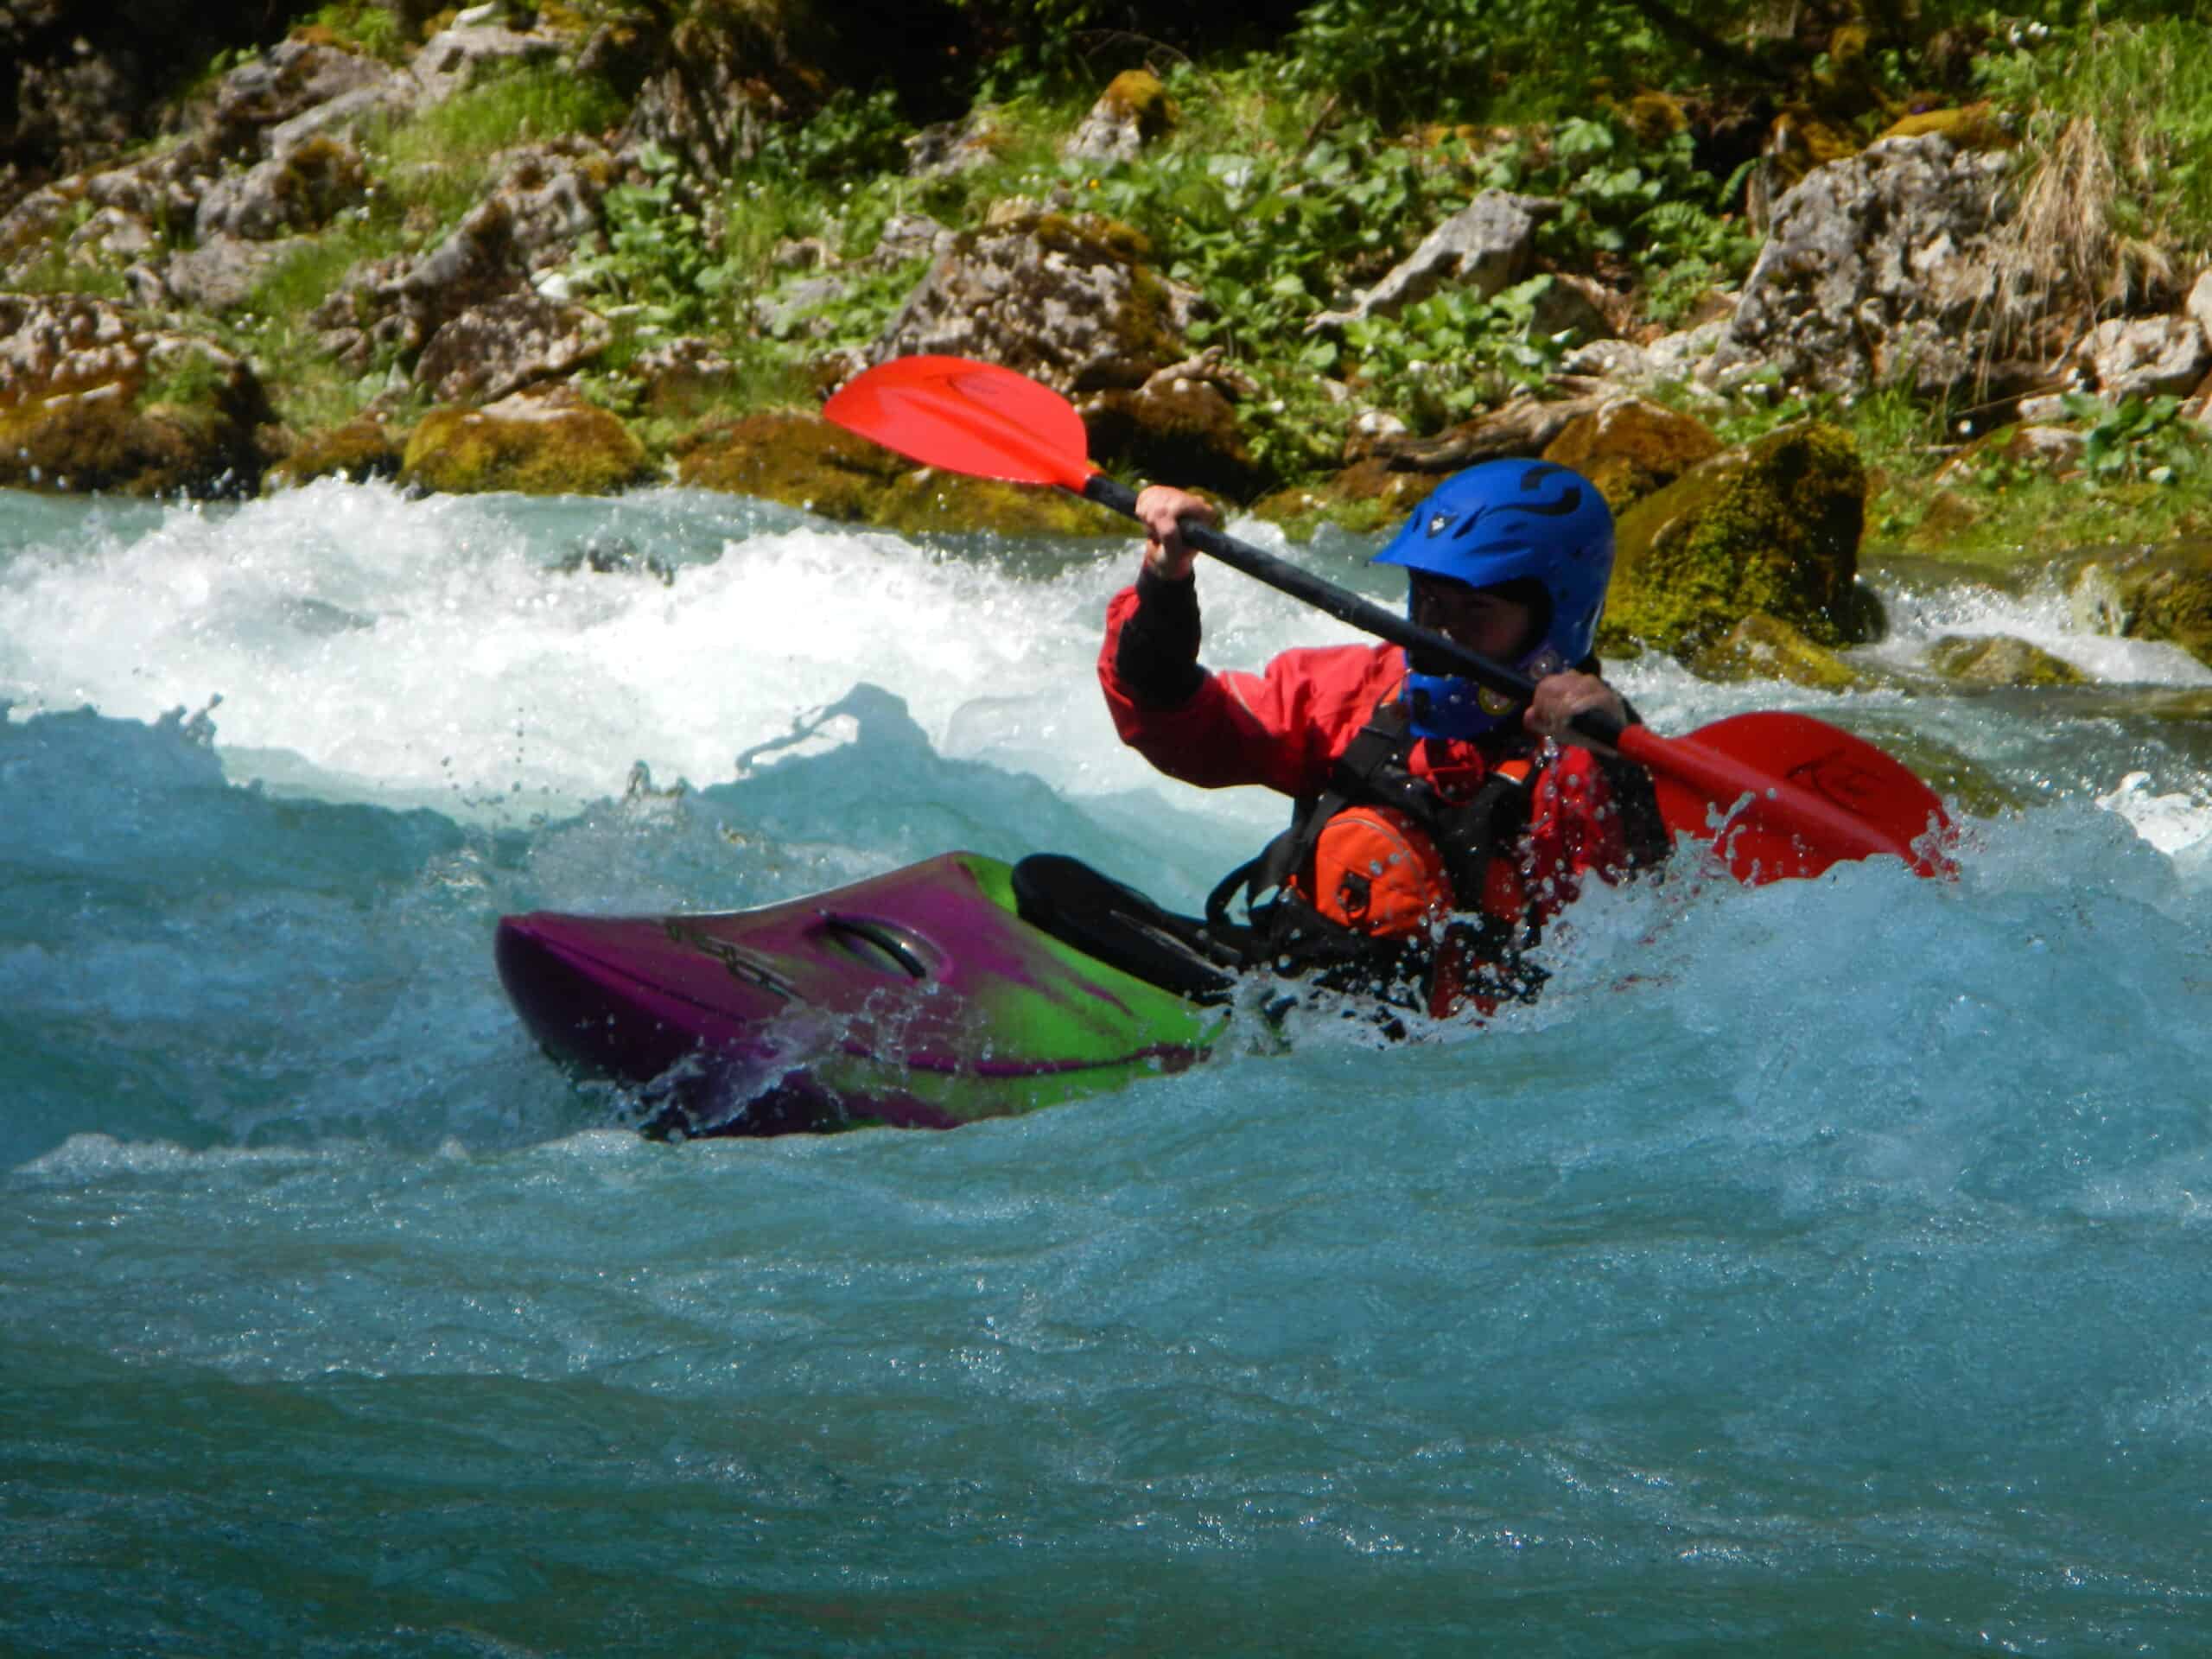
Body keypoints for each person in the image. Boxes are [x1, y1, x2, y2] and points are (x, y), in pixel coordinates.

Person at [1096, 459, 1668, 1018]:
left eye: (1476, 608)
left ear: (1554, 618)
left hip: (1467, 1053)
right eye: (1430, 597)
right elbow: (1182, 726)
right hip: (1297, 996)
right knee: (1055, 889)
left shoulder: (1588, 758)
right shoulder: (1363, 688)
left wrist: (1615, 747)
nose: (1441, 628)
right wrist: (1166, 582)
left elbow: (1640, 921)